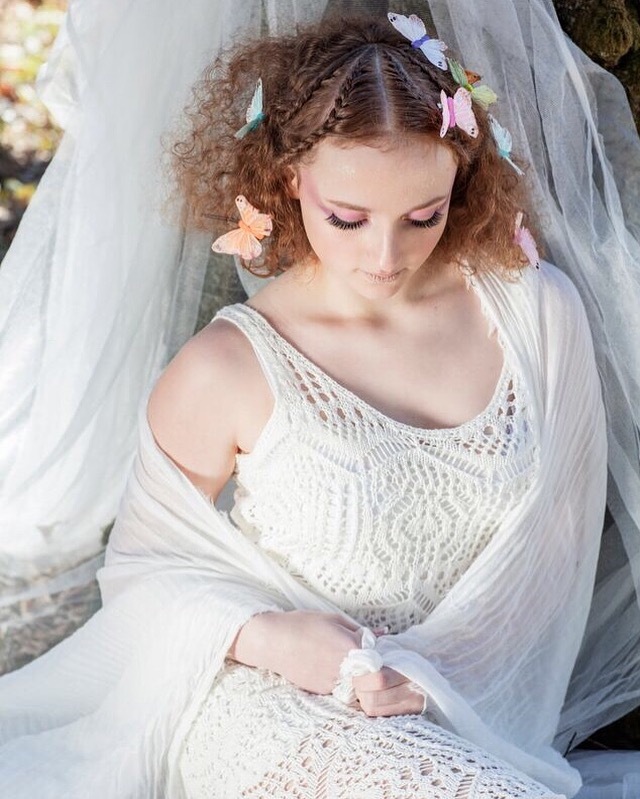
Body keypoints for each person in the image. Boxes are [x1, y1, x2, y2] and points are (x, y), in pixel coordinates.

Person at [0, 4, 638, 799]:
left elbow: (556, 561)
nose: (385, 255)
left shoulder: (537, 315)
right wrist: (265, 637)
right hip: (269, 700)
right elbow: (141, 577)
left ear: (461, 180)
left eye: (423, 216)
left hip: (465, 707)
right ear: (290, 178)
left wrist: (428, 682)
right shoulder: (228, 367)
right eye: (348, 218)